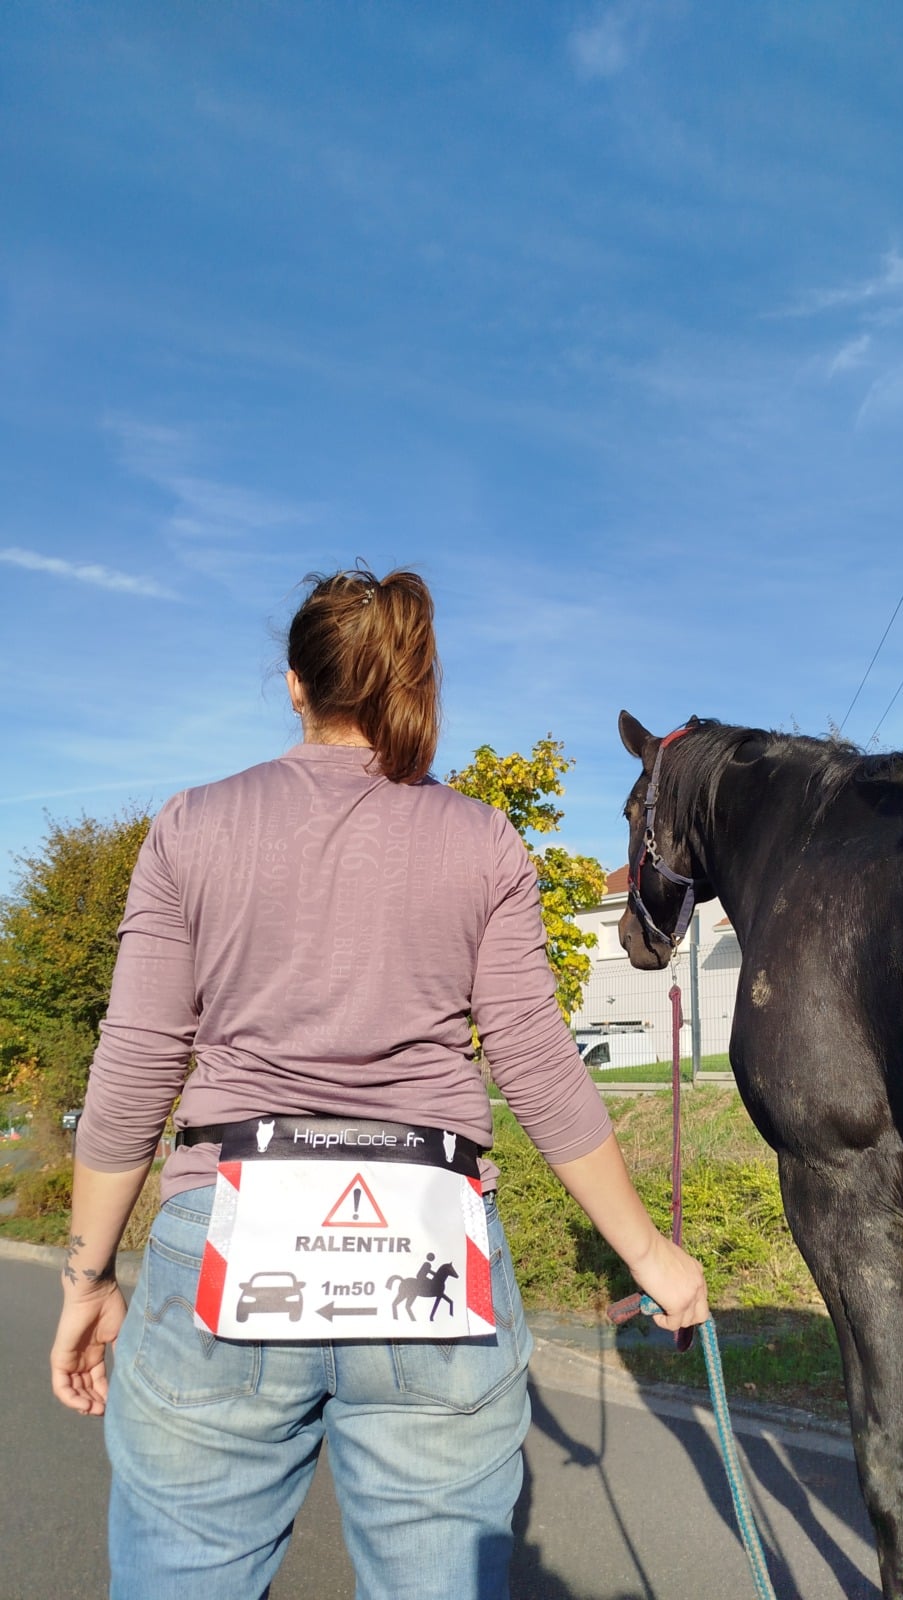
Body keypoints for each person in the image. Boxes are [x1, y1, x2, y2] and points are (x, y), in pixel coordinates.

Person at [49, 567, 709, 1600]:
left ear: (294, 686)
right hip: (428, 1247)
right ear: (416, 683)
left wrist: (88, 1278)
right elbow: (536, 1064)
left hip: (225, 1232)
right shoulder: (482, 840)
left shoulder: (190, 828)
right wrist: (650, 1251)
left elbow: (135, 1065)